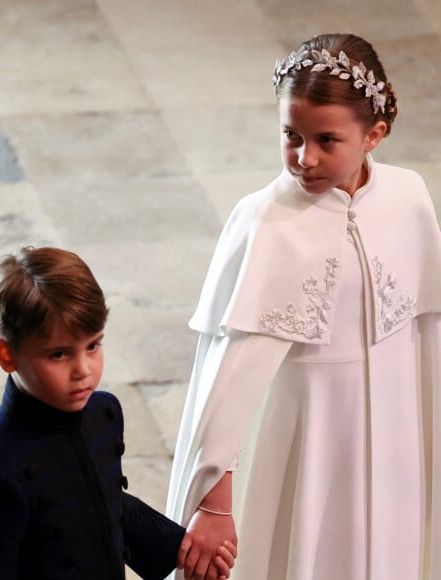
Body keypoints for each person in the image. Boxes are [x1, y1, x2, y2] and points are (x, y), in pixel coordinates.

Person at [167, 33, 441, 580]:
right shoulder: (264, 222)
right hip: (306, 442)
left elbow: (426, 337)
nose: (304, 158)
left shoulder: (409, 198)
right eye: (291, 136)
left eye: (326, 140)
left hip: (396, 446)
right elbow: (226, 384)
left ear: (374, 135)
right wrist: (215, 503)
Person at [0, 246, 235, 580]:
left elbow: (103, 501)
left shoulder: (102, 414)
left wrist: (181, 547)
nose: (83, 370)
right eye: (59, 355)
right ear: (6, 354)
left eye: (93, 345)